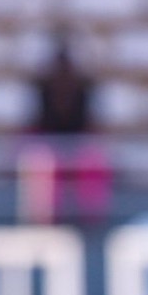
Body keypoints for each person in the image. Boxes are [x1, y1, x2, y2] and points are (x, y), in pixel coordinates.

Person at [18, 31, 109, 224]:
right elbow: (32, 126)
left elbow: (92, 128)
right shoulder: (41, 88)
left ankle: (91, 220)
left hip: (79, 148)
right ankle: (44, 219)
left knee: (92, 162)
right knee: (41, 164)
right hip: (47, 148)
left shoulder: (85, 88)